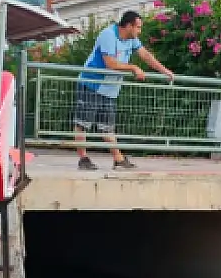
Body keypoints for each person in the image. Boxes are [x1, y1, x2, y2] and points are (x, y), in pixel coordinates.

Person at [74, 10, 174, 171]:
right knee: (83, 124)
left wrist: (165, 71)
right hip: (91, 83)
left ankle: (118, 159)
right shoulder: (108, 35)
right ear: (128, 26)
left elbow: (145, 55)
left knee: (107, 127)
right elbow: (110, 63)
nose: (139, 31)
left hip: (110, 89)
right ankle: (83, 158)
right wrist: (133, 67)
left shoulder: (131, 39)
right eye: (138, 27)